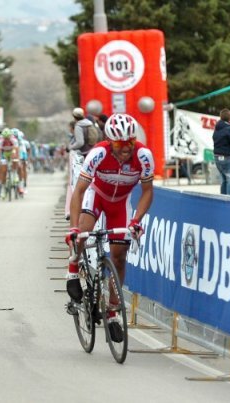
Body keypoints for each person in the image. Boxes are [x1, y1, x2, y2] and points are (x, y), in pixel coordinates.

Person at [65, 113, 154, 342]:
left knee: (119, 257)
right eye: (120, 143)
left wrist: (136, 221)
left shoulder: (143, 156)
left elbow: (147, 192)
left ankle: (113, 310)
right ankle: (73, 269)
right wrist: (74, 229)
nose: (126, 148)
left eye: (130, 142)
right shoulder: (98, 154)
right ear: (109, 141)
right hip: (97, 196)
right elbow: (79, 192)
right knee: (82, 234)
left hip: (120, 204)